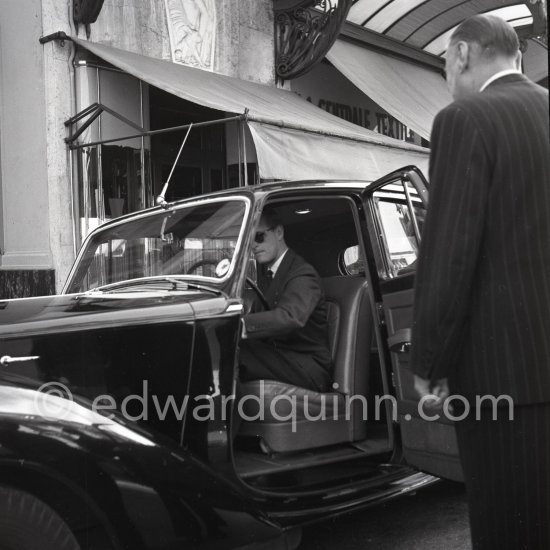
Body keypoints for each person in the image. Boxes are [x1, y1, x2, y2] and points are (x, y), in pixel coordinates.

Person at [410, 14, 550, 549]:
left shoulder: (464, 119)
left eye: (445, 60)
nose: (446, 71)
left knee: (509, 530)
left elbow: (449, 253)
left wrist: (429, 365)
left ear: (464, 53)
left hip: (502, 381)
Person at [239, 207, 332, 393]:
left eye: (258, 237)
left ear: (279, 232)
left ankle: (220, 421)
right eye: (249, 242)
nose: (254, 246)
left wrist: (239, 326)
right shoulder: (270, 275)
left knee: (235, 355)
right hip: (282, 356)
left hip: (307, 365)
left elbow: (290, 317)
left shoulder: (302, 273)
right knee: (228, 351)